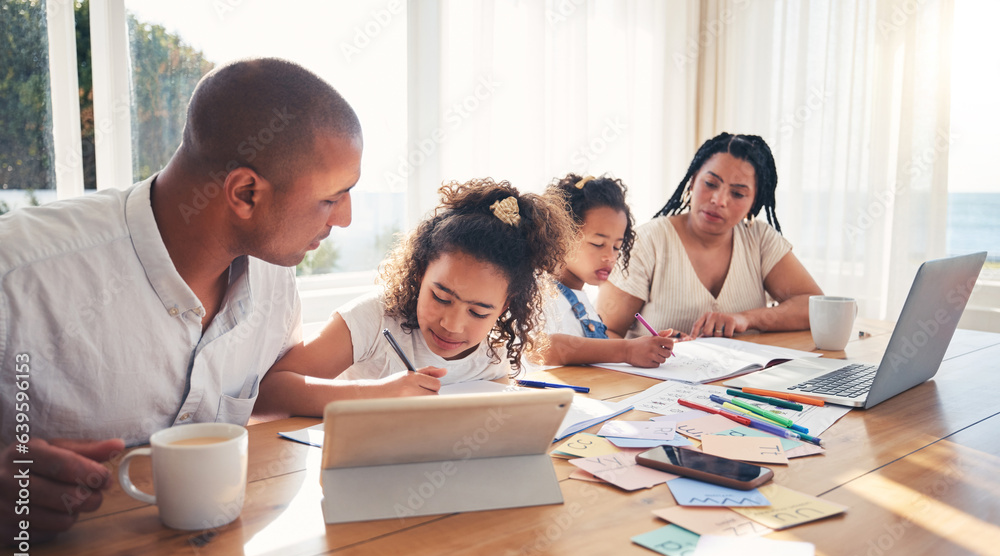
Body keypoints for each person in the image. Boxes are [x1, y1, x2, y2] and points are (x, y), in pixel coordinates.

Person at [0, 57, 363, 541]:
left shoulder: (274, 279)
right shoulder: (17, 273)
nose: (346, 219)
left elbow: (273, 394)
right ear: (246, 193)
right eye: (333, 197)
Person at [254, 178, 576, 418]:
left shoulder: (495, 346)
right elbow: (268, 393)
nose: (452, 324)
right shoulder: (373, 318)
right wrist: (376, 395)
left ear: (504, 307)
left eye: (478, 312)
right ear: (421, 273)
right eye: (441, 297)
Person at [598, 132, 823, 339]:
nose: (719, 200)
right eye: (710, 183)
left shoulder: (760, 239)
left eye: (737, 193)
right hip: (652, 381)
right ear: (693, 180)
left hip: (743, 382)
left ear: (754, 202)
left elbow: (816, 308)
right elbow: (602, 333)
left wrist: (746, 318)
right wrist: (644, 351)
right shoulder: (648, 242)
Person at [531, 173, 675, 367]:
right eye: (598, 244)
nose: (610, 256)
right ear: (560, 235)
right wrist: (627, 350)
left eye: (617, 247)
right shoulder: (540, 292)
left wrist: (653, 346)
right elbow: (542, 348)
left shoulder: (581, 299)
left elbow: (594, 348)